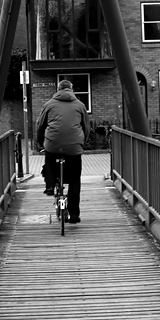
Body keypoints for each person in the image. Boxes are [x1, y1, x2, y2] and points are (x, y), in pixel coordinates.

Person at [36, 79, 90, 224]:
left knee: (49, 159)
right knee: (74, 179)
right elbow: (86, 127)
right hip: (74, 146)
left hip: (53, 145)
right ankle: (74, 215)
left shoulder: (49, 105)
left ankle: (50, 185)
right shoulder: (80, 105)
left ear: (58, 89)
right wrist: (82, 143)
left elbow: (40, 126)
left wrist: (41, 143)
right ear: (71, 90)